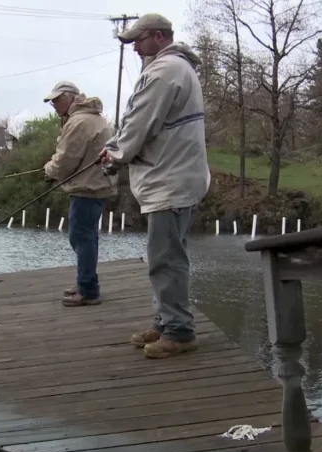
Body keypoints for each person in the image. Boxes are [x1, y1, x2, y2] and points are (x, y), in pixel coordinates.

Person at [100, 13, 211, 359]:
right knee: (164, 255)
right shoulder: (177, 68)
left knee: (165, 259)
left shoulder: (165, 71)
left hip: (170, 180)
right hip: (175, 178)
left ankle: (179, 331)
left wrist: (116, 152)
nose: (134, 47)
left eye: (140, 39)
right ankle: (165, 321)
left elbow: (139, 121)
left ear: (160, 37)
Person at [43, 81, 117, 307]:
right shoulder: (93, 118)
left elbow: (66, 160)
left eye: (57, 99)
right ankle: (86, 283)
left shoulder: (79, 122)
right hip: (97, 185)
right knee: (87, 236)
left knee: (81, 236)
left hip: (88, 187)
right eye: (52, 101)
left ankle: (88, 290)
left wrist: (48, 170)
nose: (53, 105)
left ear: (71, 98)